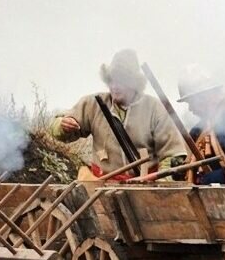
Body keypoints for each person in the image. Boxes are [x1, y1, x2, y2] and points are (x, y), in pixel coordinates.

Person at [50, 49, 186, 180]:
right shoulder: (93, 104)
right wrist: (63, 126)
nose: (114, 86)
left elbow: (174, 156)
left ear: (134, 82)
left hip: (144, 188)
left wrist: (159, 186)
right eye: (111, 80)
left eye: (121, 81)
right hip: (101, 188)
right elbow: (57, 127)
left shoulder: (155, 108)